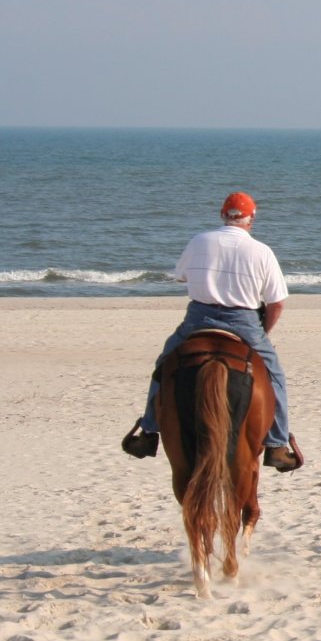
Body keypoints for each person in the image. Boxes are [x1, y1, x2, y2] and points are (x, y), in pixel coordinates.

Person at [121, 192, 303, 470]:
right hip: (244, 321)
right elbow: (276, 303)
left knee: (163, 366)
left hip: (199, 317)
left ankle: (148, 432)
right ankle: (277, 444)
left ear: (222, 214)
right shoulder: (261, 251)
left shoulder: (199, 241)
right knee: (275, 375)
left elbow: (181, 275)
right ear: (251, 219)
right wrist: (263, 332)